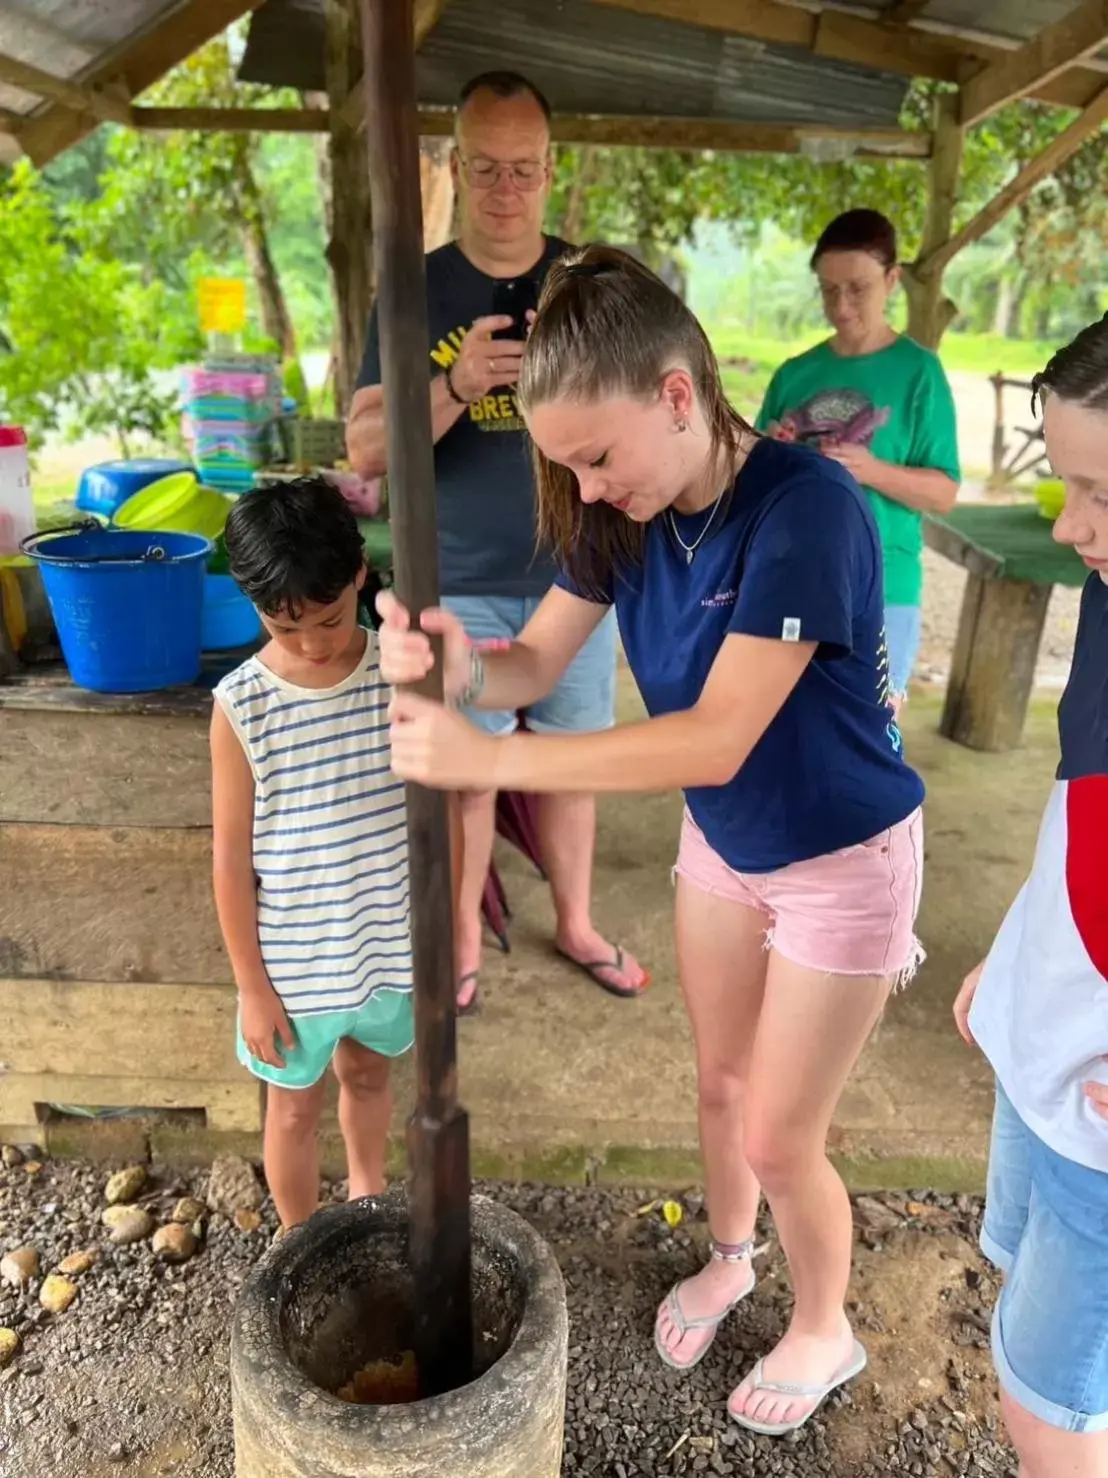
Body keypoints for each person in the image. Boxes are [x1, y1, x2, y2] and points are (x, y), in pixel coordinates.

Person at [377, 244, 927, 1435]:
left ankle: (824, 1321)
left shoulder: (804, 508)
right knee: (721, 1080)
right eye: (563, 461)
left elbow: (714, 736)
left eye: (595, 455)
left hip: (841, 855)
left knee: (784, 1128)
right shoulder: (618, 513)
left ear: (678, 393)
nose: (583, 484)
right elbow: (529, 660)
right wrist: (455, 660)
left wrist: (494, 758)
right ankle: (731, 1254)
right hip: (728, 843)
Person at [346, 70, 644, 1013]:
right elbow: (362, 447)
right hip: (456, 578)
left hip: (578, 576)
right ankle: (464, 940)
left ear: (553, 170)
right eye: (487, 169)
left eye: (524, 169)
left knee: (573, 768)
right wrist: (456, 383)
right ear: (454, 166)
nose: (506, 189)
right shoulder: (415, 286)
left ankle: (579, 924)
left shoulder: (588, 280)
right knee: (466, 779)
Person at [953, 315, 1108, 1478]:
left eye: (1099, 489)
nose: (1067, 527)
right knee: (1018, 1293)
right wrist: (1015, 951)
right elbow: (1079, 811)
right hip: (1045, 1035)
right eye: (1065, 483)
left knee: (1048, 1406)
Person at [210, 477, 412, 1230]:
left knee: (367, 1074)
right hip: (292, 966)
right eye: (284, 627)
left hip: (385, 943)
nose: (313, 644)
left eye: (328, 621)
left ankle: (367, 1195)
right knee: (292, 1111)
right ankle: (297, 1243)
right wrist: (251, 987)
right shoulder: (241, 706)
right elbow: (231, 862)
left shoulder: (401, 669)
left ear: (360, 572)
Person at [756, 209, 960, 710]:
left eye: (858, 288)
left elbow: (944, 492)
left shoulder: (919, 373)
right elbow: (753, 474)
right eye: (828, 290)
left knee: (869, 728)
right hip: (794, 573)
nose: (841, 306)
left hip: (883, 582)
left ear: (892, 280)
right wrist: (773, 449)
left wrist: (870, 470)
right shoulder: (795, 373)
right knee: (788, 722)